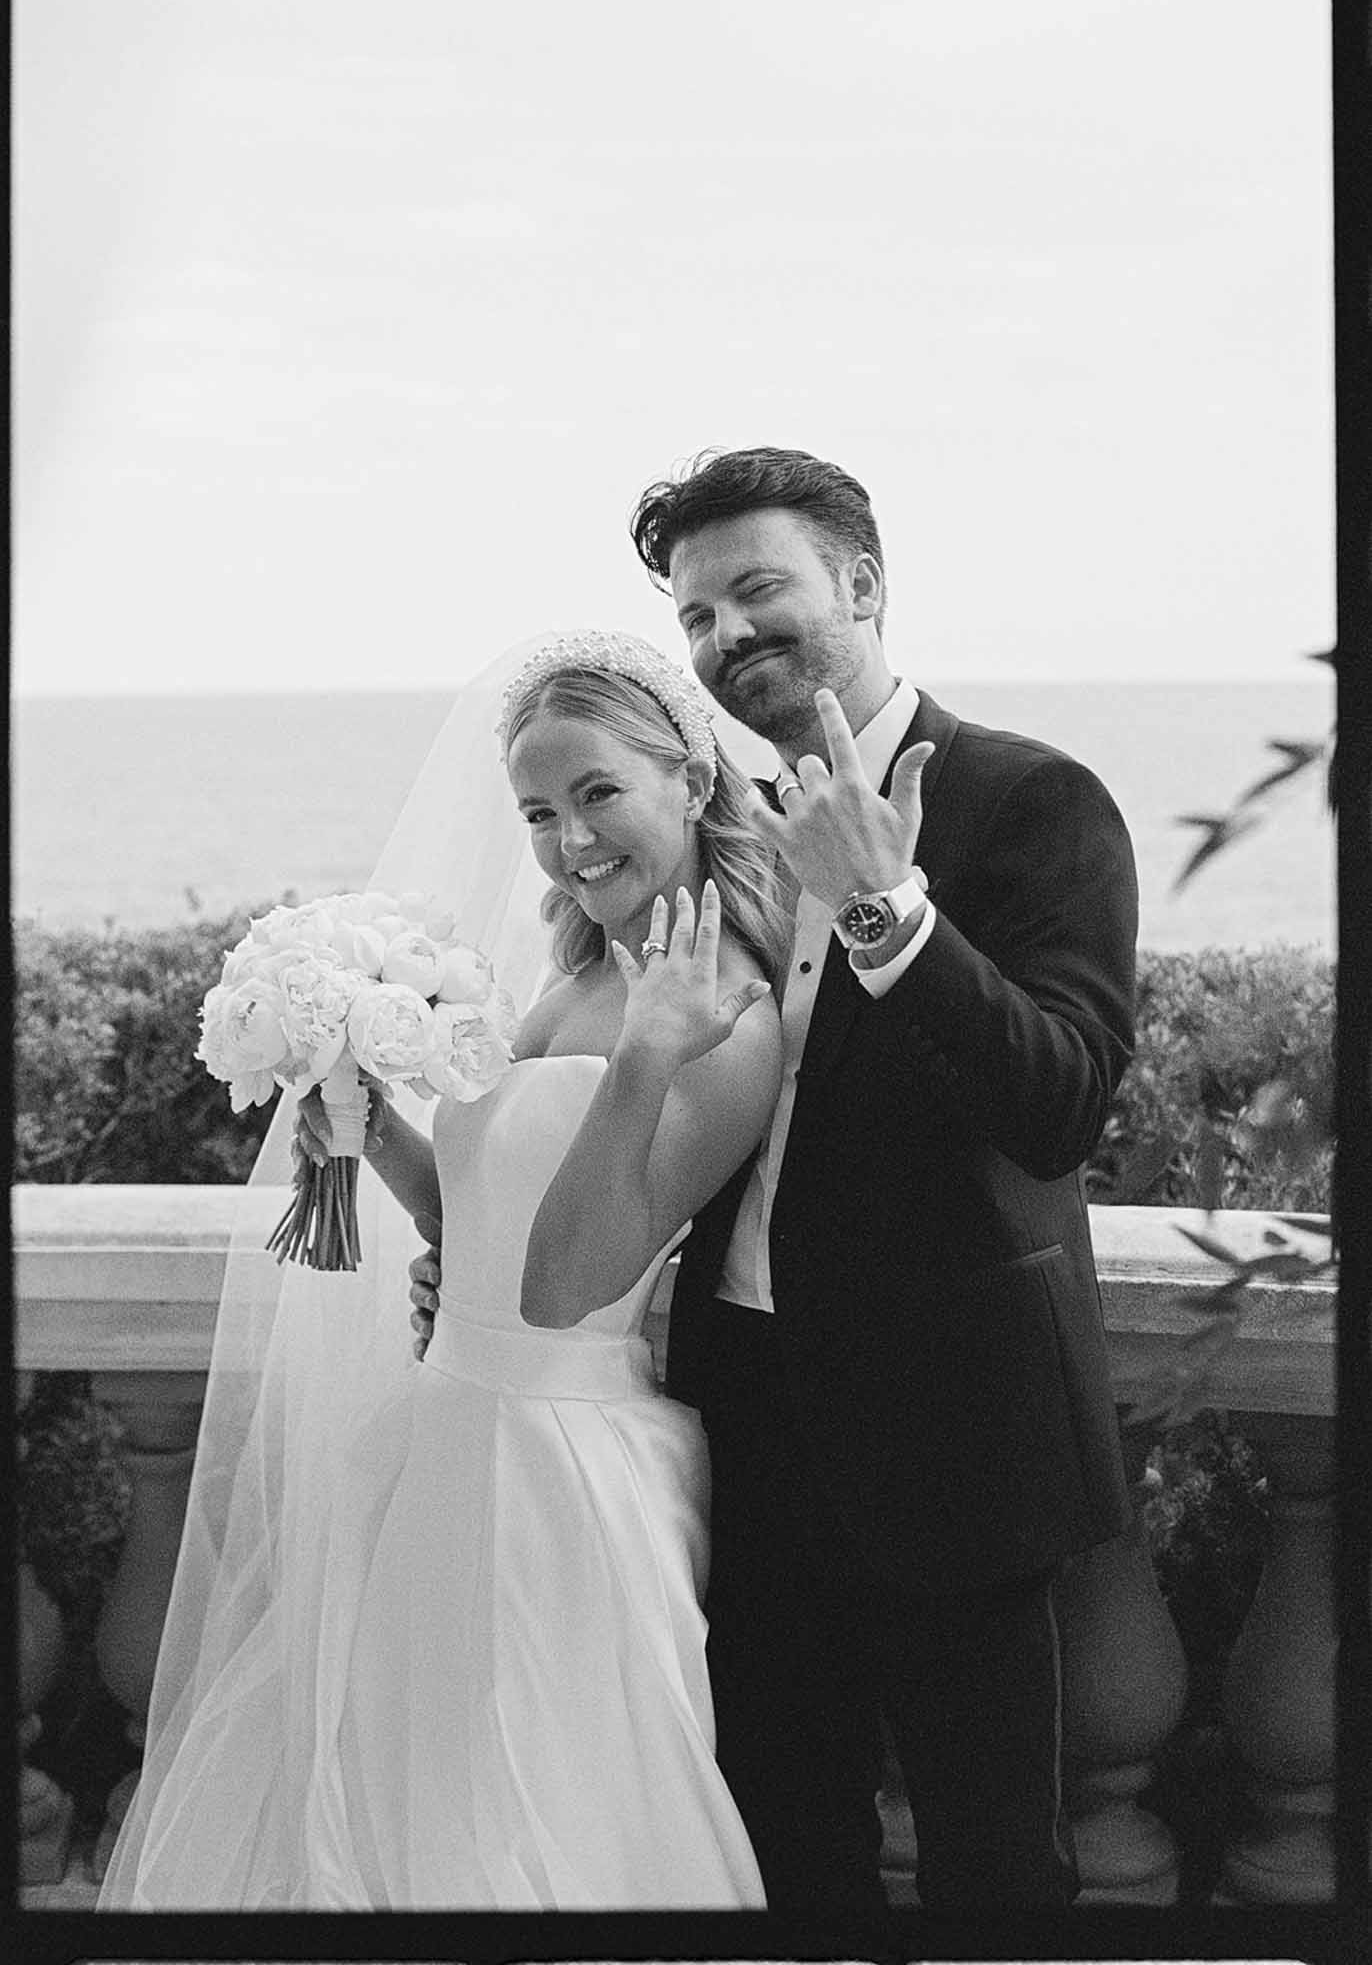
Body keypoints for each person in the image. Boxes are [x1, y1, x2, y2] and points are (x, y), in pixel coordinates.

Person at [410, 449, 1142, 1952]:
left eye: (760, 592)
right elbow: (631, 1074)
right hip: (734, 1411)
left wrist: (887, 905)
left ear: (861, 586)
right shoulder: (699, 825)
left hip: (951, 1425)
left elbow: (1059, 1103)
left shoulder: (1029, 802)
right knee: (777, 1846)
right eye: (695, 615)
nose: (728, 635)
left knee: (992, 1861)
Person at [98, 630, 784, 1909]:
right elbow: (479, 1224)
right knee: (394, 1806)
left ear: (689, 780)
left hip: (558, 1480)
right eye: (537, 809)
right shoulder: (578, 972)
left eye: (596, 793)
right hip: (442, 1442)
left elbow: (565, 1283)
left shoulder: (731, 1016)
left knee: (531, 1833)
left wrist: (645, 1059)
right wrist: (372, 1133)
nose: (569, 840)